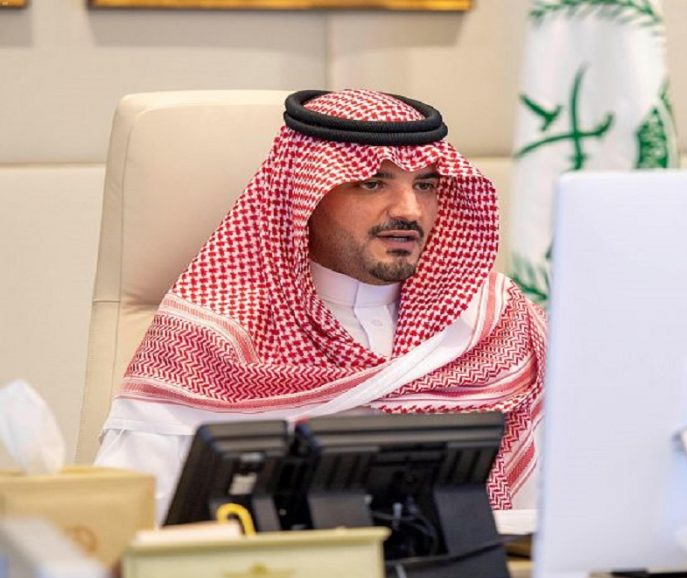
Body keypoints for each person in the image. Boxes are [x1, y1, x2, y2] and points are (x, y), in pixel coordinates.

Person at [94, 90, 547, 521]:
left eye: (425, 184)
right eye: (373, 183)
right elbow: (125, 531)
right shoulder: (211, 339)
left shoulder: (493, 323)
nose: (410, 210)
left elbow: (557, 501)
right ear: (305, 196)